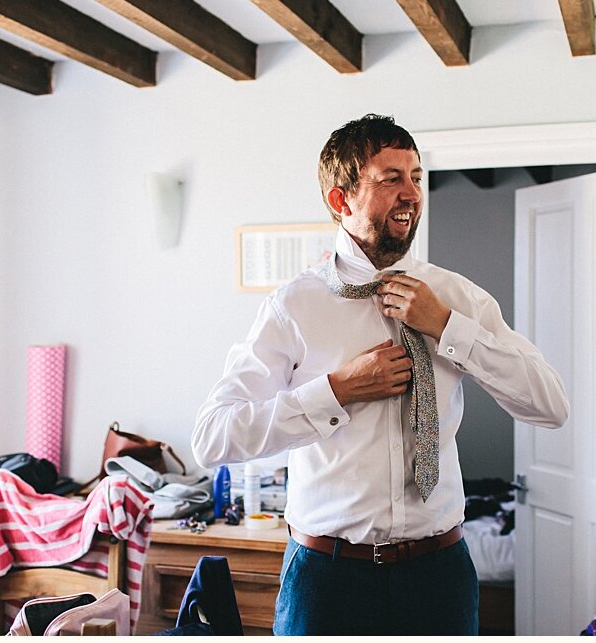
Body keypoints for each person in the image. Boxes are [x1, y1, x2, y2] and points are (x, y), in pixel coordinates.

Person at [191, 114, 570, 635]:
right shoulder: (294, 306)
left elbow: (550, 406)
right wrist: (336, 391)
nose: (412, 193)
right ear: (340, 200)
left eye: (416, 177)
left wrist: (447, 327)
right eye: (391, 179)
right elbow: (212, 437)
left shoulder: (456, 298)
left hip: (440, 575)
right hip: (326, 580)